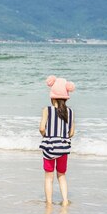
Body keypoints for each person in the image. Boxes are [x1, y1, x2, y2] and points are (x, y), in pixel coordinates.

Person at [39, 76, 75, 206]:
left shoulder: (47, 110)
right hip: (63, 148)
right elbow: (71, 133)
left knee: (49, 177)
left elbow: (42, 128)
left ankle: (49, 203)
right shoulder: (70, 112)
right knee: (61, 175)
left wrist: (46, 136)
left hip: (49, 146)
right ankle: (65, 200)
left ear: (52, 97)